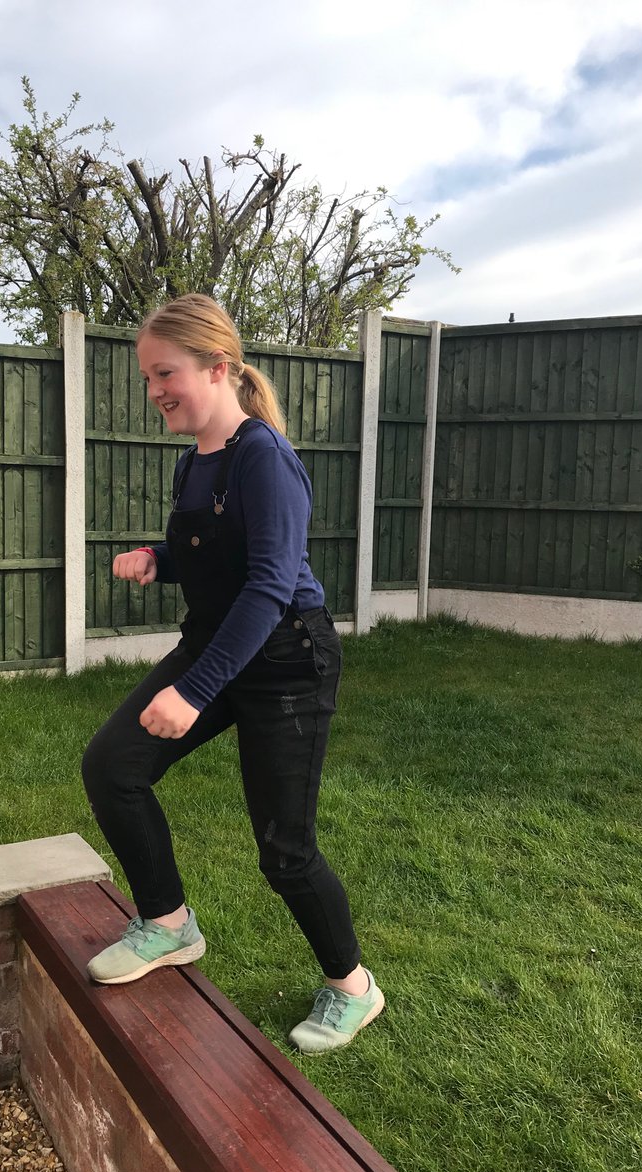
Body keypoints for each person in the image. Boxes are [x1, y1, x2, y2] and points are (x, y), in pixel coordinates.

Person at [81, 293, 383, 1054]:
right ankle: (168, 923)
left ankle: (353, 986)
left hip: (287, 661)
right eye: (149, 377)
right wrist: (160, 559)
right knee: (113, 766)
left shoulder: (263, 456)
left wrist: (193, 691)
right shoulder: (194, 461)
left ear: (218, 367)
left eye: (165, 373)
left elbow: (270, 585)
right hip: (219, 642)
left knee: (285, 850)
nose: (155, 390)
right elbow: (217, 553)